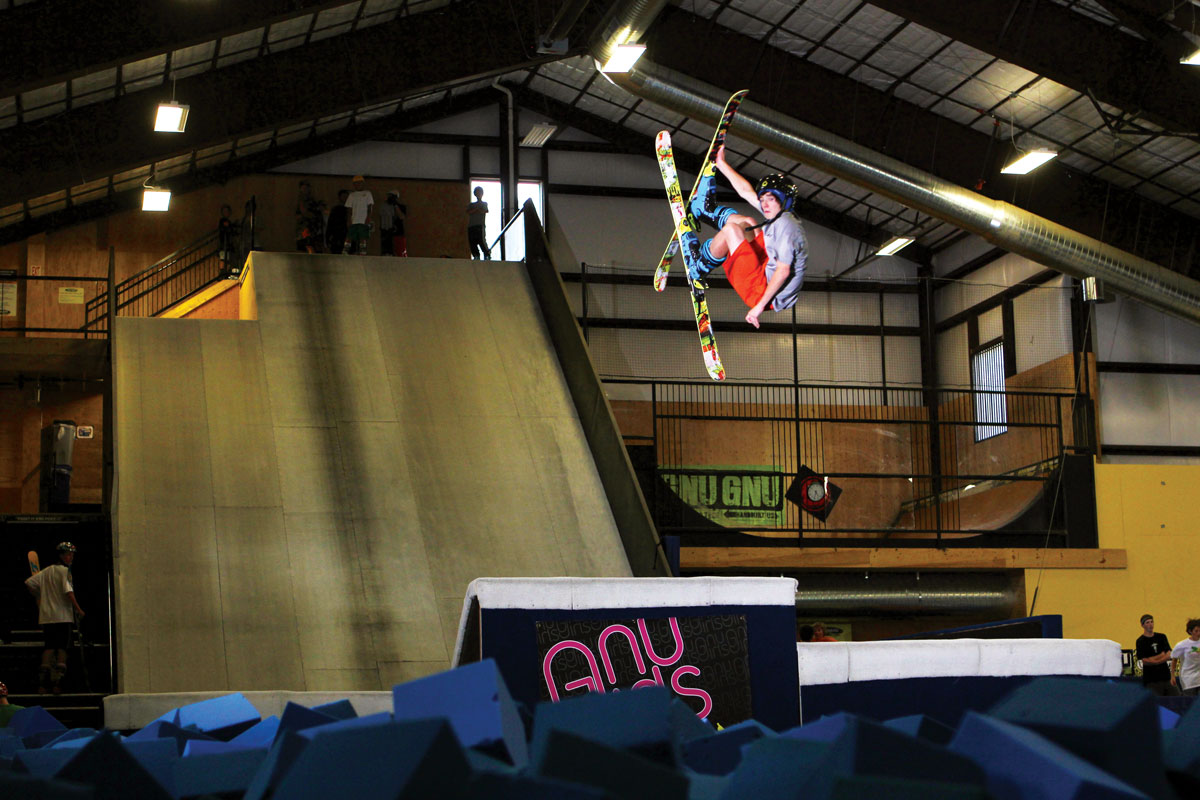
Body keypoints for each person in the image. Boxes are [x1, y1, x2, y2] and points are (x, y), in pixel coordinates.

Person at [682, 145, 807, 329]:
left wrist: (758, 307)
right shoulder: (780, 214)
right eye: (763, 199)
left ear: (783, 200)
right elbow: (746, 193)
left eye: (769, 199)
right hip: (765, 269)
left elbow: (783, 271)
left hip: (761, 291)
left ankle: (699, 266)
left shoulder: (788, 230)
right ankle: (703, 210)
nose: (763, 204)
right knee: (748, 222)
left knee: (732, 230)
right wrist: (721, 164)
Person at [25, 542, 84, 694]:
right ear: (61, 556)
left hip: (47, 617)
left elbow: (30, 583)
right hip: (63, 616)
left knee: (49, 648)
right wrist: (78, 609)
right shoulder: (65, 571)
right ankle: (57, 684)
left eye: (71, 554)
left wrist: (39, 595)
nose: (70, 557)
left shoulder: (46, 571)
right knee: (62, 649)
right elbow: (68, 592)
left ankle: (42, 685)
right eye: (68, 554)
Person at [1135, 613, 1177, 696]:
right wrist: (1161, 656)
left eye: (1151, 622)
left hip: (1166, 677)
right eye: (1147, 622)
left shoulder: (1161, 637)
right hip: (1151, 680)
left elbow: (1168, 654)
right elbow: (1145, 660)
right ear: (1142, 625)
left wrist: (1154, 660)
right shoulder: (1140, 641)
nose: (1150, 624)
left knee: (1177, 697)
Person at [343, 175, 374, 255]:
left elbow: (370, 207)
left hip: (363, 220)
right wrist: (348, 220)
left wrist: (368, 218)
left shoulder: (367, 193)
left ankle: (362, 251)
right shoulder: (352, 195)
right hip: (354, 220)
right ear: (353, 185)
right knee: (350, 235)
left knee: (363, 236)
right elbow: (349, 209)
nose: (358, 185)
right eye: (356, 183)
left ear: (363, 183)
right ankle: (346, 250)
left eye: (359, 183)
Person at [294, 180, 326, 254]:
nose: (305, 190)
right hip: (305, 227)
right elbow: (304, 212)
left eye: (307, 188)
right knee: (307, 245)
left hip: (313, 227)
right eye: (303, 188)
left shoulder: (311, 199)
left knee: (311, 245)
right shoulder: (301, 199)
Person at [1170, 619, 1200, 696]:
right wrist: (1172, 676)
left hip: (1199, 676)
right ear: (1190, 631)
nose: (1198, 633)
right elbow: (1174, 660)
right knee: (1190, 701)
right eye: (1196, 631)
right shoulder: (1181, 645)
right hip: (1188, 678)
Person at [380, 190, 408, 257]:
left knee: (400, 253)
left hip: (398, 233)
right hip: (387, 233)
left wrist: (395, 205)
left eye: (391, 196)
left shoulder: (401, 206)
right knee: (387, 253)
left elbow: (401, 217)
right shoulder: (385, 207)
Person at [467, 186, 491, 260]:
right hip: (471, 225)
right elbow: (468, 212)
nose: (478, 194)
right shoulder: (471, 204)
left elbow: (484, 211)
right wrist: (477, 209)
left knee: (482, 240)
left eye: (480, 193)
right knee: (472, 241)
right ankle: (476, 255)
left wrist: (475, 210)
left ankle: (487, 254)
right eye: (477, 193)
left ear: (482, 194)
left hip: (480, 225)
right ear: (475, 194)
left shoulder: (484, 203)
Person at [326, 189, 350, 255]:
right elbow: (330, 224)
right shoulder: (335, 210)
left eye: (346, 197)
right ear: (340, 198)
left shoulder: (351, 210)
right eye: (343, 196)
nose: (345, 198)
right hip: (337, 237)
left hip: (348, 236)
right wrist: (327, 238)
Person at [217, 204, 237, 272]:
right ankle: (222, 271)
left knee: (228, 258)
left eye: (227, 211)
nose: (226, 213)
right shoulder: (222, 221)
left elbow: (231, 229)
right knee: (223, 257)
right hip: (223, 243)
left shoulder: (228, 222)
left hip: (228, 244)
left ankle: (227, 271)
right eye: (225, 211)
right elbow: (226, 227)